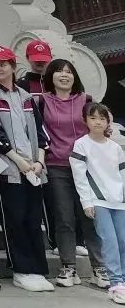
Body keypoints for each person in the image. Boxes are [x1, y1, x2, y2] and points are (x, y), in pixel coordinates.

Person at [0, 45, 54, 292]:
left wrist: (39, 160)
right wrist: (19, 161)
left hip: (33, 170)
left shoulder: (27, 97)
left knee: (33, 219)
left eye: (3, 63)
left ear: (13, 66)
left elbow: (41, 133)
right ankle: (21, 269)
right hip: (8, 170)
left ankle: (38, 269)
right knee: (14, 220)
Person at [39, 57, 106, 287]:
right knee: (64, 217)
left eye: (69, 71)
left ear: (75, 76)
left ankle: (99, 268)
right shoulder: (42, 101)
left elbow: (101, 125)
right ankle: (68, 267)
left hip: (87, 167)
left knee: (91, 217)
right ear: (51, 77)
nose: (64, 75)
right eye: (59, 71)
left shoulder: (85, 101)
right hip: (57, 165)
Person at [70, 102, 125, 305]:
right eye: (93, 118)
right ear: (85, 120)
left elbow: (122, 174)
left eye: (102, 118)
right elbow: (80, 176)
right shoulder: (81, 144)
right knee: (109, 241)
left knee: (123, 240)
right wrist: (87, 202)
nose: (98, 122)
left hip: (119, 201)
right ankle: (116, 284)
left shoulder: (116, 148)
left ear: (108, 121)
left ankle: (123, 281)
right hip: (98, 201)